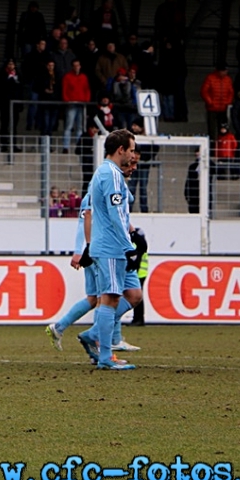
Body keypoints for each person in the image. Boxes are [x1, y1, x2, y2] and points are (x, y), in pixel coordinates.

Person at [46, 155, 143, 355]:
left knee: (104, 298)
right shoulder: (95, 193)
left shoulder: (116, 187)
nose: (134, 166)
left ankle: (95, 336)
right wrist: (81, 250)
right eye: (130, 162)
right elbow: (85, 220)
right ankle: (101, 339)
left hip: (107, 248)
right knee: (104, 298)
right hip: (102, 250)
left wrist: (135, 233)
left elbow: (121, 216)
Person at [75, 129, 137, 371]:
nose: (132, 155)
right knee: (110, 299)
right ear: (120, 149)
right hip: (111, 246)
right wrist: (127, 245)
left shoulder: (105, 172)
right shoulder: (110, 174)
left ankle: (102, 350)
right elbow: (116, 212)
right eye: (131, 150)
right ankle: (105, 357)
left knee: (110, 298)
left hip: (106, 245)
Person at [61, 58, 91, 153]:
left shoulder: (84, 77)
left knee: (80, 127)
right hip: (72, 104)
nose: (76, 67)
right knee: (68, 126)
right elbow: (65, 89)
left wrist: (86, 100)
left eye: (78, 65)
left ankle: (79, 147)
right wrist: (67, 100)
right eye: (75, 66)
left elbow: (87, 89)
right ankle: (66, 146)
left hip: (81, 104)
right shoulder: (67, 77)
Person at [200, 62, 235, 140]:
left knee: (223, 129)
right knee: (212, 130)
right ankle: (213, 147)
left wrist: (228, 102)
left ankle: (221, 146)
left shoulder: (228, 79)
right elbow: (204, 91)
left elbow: (231, 92)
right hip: (212, 108)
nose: (226, 72)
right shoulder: (210, 78)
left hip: (223, 108)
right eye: (224, 70)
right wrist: (210, 102)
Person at [0, 58, 23, 153]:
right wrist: (9, 79)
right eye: (9, 64)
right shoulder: (2, 75)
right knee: (4, 124)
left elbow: (21, 89)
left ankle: (13, 144)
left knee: (14, 125)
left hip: (15, 105)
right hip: (5, 104)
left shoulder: (18, 75)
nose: (11, 66)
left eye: (12, 64)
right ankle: (4, 144)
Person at [75, 124, 100, 196]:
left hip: (97, 164)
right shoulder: (84, 136)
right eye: (95, 128)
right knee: (87, 182)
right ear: (91, 128)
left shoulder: (99, 137)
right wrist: (89, 150)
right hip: (87, 163)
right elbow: (77, 150)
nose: (96, 131)